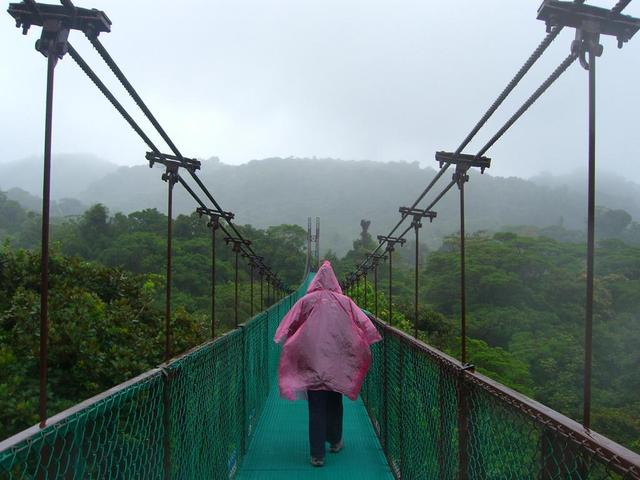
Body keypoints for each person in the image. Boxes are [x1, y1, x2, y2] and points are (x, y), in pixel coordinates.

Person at [274, 260, 382, 467]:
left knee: (316, 408)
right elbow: (364, 324)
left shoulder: (306, 301)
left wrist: (288, 339)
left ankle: (317, 455)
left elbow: (289, 325)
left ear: (315, 281)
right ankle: (335, 441)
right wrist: (366, 340)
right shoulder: (345, 302)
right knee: (335, 403)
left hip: (312, 364)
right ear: (334, 281)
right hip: (338, 365)